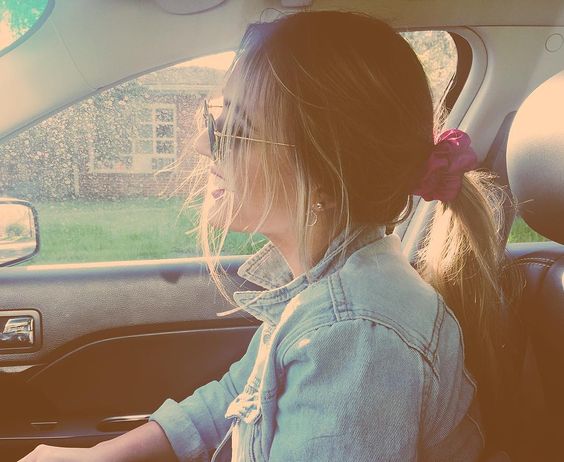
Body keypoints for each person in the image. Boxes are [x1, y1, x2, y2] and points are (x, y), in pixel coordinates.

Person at [19, 10, 521, 462]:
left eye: (233, 130)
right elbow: (231, 399)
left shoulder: (355, 336)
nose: (201, 145)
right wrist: (103, 455)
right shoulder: (322, 286)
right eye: (214, 120)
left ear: (324, 176)